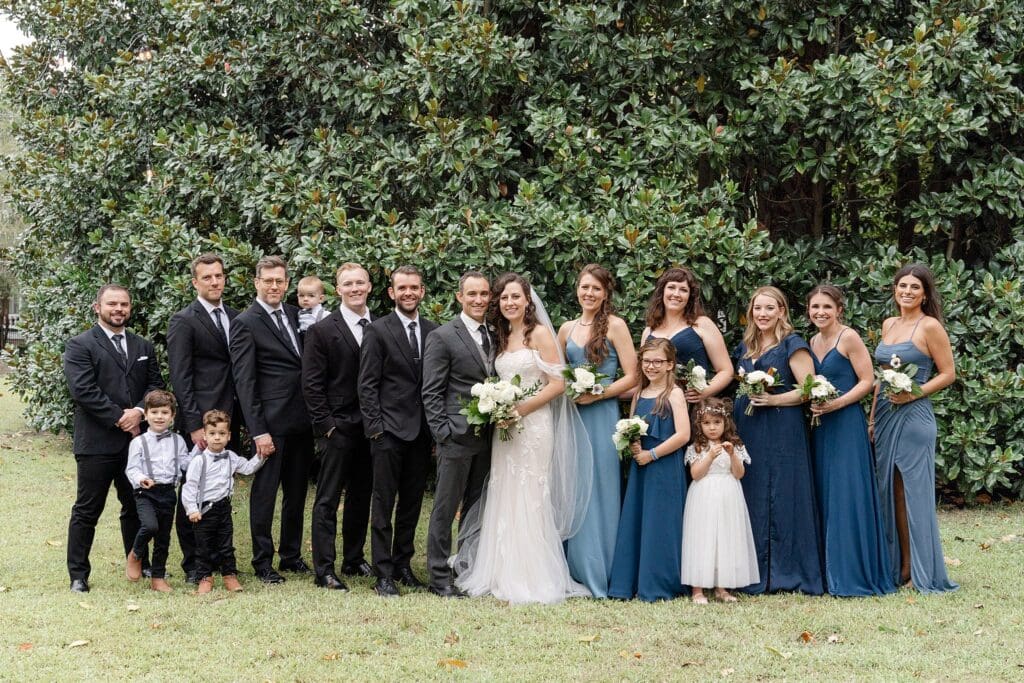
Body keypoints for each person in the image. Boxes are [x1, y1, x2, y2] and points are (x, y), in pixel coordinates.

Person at [455, 273, 592, 605]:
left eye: (515, 297)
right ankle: (501, 569)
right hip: (506, 430)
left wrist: (520, 410)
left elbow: (557, 384)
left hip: (533, 427)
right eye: (503, 298)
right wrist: (500, 408)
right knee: (505, 489)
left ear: (528, 301)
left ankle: (533, 574)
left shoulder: (540, 334)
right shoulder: (500, 336)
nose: (509, 303)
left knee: (531, 492)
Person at [63, 283, 164, 592]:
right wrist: (122, 418)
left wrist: (139, 411)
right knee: (87, 509)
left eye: (124, 304)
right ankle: (78, 574)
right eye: (112, 304)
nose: (119, 309)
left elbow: (155, 385)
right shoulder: (80, 345)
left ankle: (139, 562)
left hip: (136, 443)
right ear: (98, 307)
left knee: (135, 506)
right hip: (96, 443)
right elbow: (83, 391)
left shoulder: (143, 346)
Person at [870, 264, 958, 593]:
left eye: (914, 287)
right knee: (889, 491)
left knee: (914, 493)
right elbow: (881, 376)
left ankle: (921, 572)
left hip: (915, 417)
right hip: (886, 415)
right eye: (902, 285)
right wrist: (872, 418)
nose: (907, 291)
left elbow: (948, 373)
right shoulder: (889, 324)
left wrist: (914, 393)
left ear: (924, 294)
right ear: (894, 290)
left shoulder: (930, 326)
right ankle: (900, 565)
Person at [733, 286, 823, 595]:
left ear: (781, 311)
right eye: (758, 308)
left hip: (782, 428)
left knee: (784, 491)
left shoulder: (792, 345)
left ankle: (785, 572)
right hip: (749, 428)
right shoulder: (745, 347)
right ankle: (751, 569)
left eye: (769, 308)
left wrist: (774, 401)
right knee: (753, 491)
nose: (762, 314)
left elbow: (809, 388)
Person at [230, 255, 314, 584]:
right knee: (265, 494)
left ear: (287, 284)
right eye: (268, 280)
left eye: (280, 281)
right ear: (256, 283)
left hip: (302, 420)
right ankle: (262, 561)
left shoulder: (298, 315)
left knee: (296, 492)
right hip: (271, 425)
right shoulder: (245, 322)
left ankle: (291, 555)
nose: (274, 286)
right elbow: (245, 383)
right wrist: (258, 431)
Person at [807, 285, 896, 596]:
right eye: (815, 307)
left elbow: (868, 381)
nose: (820, 312)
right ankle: (827, 570)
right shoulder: (812, 341)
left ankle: (852, 571)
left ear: (839, 310)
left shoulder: (849, 337)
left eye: (826, 307)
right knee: (824, 492)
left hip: (845, 423)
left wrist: (837, 403)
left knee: (846, 494)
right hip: (819, 427)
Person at [358, 265, 438, 597]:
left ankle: (403, 564)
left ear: (422, 292)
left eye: (414, 287)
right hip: (388, 432)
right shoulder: (377, 331)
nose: (408, 293)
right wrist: (376, 430)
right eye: (402, 288)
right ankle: (383, 572)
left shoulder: (434, 331)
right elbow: (367, 385)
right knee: (383, 502)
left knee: (412, 503)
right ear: (391, 293)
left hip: (422, 434)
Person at [558, 264, 636, 598]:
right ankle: (572, 569)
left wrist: (599, 392)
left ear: (606, 293)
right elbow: (557, 375)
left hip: (602, 414)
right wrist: (572, 392)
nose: (588, 293)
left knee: (601, 487)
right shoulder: (565, 329)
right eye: (584, 287)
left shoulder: (616, 326)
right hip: (573, 416)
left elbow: (633, 376)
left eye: (596, 289)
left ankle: (602, 571)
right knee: (574, 486)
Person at [166, 252, 240, 584]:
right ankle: (194, 565)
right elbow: (181, 376)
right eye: (207, 277)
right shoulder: (184, 320)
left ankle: (221, 560)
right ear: (195, 282)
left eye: (219, 276)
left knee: (220, 493)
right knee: (193, 492)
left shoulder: (236, 317)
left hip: (228, 421)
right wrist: (194, 424)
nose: (214, 281)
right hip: (200, 424)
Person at [302, 262, 376, 591]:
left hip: (372, 428)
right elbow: (312, 384)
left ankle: (354, 557)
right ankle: (325, 569)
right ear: (338, 289)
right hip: (338, 428)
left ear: (370, 286)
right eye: (348, 283)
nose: (355, 288)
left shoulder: (381, 327)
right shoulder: (322, 330)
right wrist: (327, 426)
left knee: (362, 496)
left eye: (360, 282)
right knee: (328, 499)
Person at [421, 271, 495, 598]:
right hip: (456, 436)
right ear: (459, 296)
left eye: (484, 294)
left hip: (490, 436)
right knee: (445, 507)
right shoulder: (442, 336)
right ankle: (438, 575)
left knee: (477, 506)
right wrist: (444, 433)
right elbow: (432, 391)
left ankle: (465, 567)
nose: (479, 300)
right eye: (472, 294)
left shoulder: (494, 333)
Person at [608, 338, 690, 602]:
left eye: (657, 362)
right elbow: (632, 425)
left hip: (663, 465)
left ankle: (658, 583)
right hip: (640, 466)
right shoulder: (639, 394)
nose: (651, 367)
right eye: (646, 361)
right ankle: (629, 582)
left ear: (669, 365)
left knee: (660, 522)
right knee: (638, 519)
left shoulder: (673, 394)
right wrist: (632, 443)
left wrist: (651, 454)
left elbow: (683, 435)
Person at [680, 398, 758, 604]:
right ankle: (697, 589)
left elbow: (739, 473)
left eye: (716, 422)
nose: (712, 427)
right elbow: (696, 474)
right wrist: (709, 456)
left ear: (725, 423)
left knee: (725, 537)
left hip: (729, 493)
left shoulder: (735, 444)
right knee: (702, 537)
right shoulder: (697, 446)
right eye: (706, 423)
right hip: (704, 494)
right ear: (699, 425)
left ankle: (721, 587)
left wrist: (732, 454)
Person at [182, 410, 268, 594]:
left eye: (222, 434)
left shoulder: (231, 457)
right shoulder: (199, 461)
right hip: (203, 509)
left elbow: (247, 468)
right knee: (204, 546)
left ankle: (229, 575)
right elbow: (189, 487)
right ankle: (205, 577)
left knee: (226, 545)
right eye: (212, 434)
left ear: (228, 436)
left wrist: (262, 455)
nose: (217, 438)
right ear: (205, 435)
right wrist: (191, 509)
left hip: (223, 508)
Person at [124, 390, 189, 592]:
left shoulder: (178, 441)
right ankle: (135, 554)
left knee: (163, 537)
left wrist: (202, 456)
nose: (159, 417)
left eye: (164, 412)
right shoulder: (138, 442)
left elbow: (186, 462)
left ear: (172, 416)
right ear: (145, 415)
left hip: (168, 492)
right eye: (154, 412)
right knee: (150, 526)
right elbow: (132, 468)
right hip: (146, 493)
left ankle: (158, 578)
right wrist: (141, 478)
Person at [641, 267, 732, 402]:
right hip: (658, 405)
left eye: (683, 290)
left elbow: (726, 371)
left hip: (693, 406)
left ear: (690, 297)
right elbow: (642, 377)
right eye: (671, 287)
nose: (676, 294)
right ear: (662, 291)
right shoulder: (649, 331)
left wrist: (705, 391)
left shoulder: (702, 324)